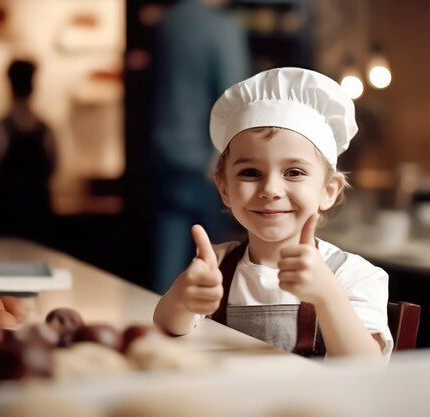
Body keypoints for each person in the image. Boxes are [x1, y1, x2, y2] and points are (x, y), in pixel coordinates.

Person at [154, 67, 393, 358]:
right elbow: (168, 328)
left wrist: (327, 295)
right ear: (224, 188)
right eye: (250, 172)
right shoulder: (215, 265)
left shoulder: (353, 275)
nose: (271, 189)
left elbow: (365, 369)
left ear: (328, 190)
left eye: (293, 172)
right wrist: (183, 298)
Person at [150, 0, 251, 293]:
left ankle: (157, 329)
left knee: (165, 269)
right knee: (213, 267)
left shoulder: (168, 22)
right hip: (207, 163)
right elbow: (236, 101)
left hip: (165, 154)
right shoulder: (223, 28)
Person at [0, 59, 56, 243]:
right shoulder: (46, 130)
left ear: (9, 86)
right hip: (19, 222)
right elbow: (54, 169)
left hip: (27, 223)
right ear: (33, 86)